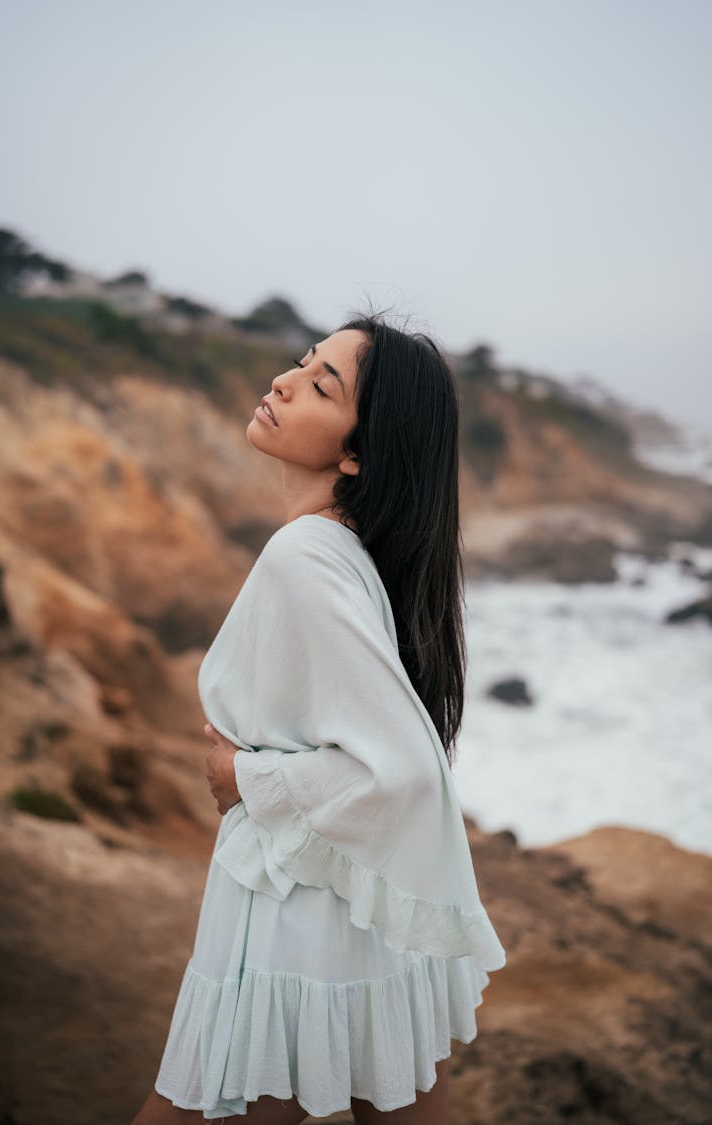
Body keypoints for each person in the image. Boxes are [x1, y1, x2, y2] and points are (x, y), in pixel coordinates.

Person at [132, 310, 506, 1124]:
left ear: (356, 452)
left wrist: (245, 775)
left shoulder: (306, 556)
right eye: (302, 363)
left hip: (294, 916)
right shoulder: (341, 551)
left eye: (320, 383)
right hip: (343, 899)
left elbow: (400, 768)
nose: (282, 381)